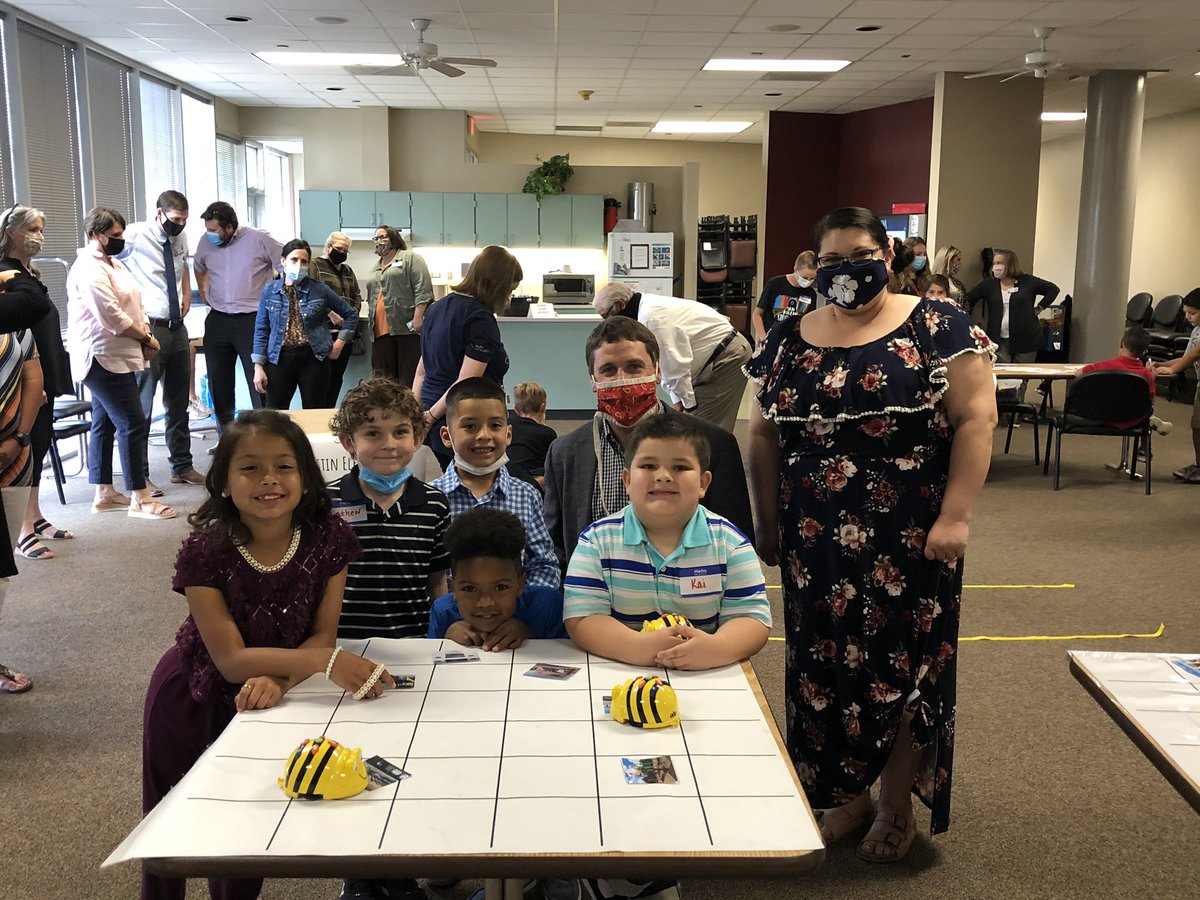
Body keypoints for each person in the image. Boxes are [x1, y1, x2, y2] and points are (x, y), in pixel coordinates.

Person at [745, 206, 997, 863]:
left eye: (858, 254)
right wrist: (767, 523)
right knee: (820, 666)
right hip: (811, 541)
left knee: (897, 669)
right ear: (812, 267)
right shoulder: (788, 335)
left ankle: (892, 803)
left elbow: (976, 419)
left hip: (910, 538)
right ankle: (844, 795)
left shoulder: (938, 325)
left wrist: (957, 516)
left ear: (887, 257)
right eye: (829, 260)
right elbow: (763, 431)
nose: (844, 269)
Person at [140, 409, 390, 900]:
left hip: (266, 698)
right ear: (225, 483)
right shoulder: (205, 550)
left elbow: (321, 635)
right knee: (171, 824)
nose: (269, 479)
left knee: (247, 826)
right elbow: (231, 660)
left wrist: (281, 681)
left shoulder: (331, 539)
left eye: (285, 466)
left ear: (306, 476)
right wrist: (326, 664)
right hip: (189, 696)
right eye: (250, 467)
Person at [543, 317, 753, 573]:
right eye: (608, 370)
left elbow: (738, 547)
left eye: (634, 367)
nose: (622, 380)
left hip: (691, 598)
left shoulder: (714, 443)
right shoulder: (565, 453)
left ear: (657, 372)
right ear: (593, 380)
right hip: (597, 598)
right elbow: (556, 548)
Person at [564, 412, 770, 667]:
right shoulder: (596, 543)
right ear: (627, 480)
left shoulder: (730, 544)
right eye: (649, 466)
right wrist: (635, 646)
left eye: (680, 467)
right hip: (621, 671)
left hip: (703, 673)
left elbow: (752, 618)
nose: (663, 476)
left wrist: (717, 648)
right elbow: (581, 618)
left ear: (704, 483)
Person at [67, 207, 175, 520]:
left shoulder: (110, 263)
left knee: (104, 422)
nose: (120, 240)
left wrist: (143, 332)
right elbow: (111, 316)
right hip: (101, 355)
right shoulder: (89, 268)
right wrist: (146, 337)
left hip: (116, 354)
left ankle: (103, 492)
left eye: (121, 234)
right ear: (95, 235)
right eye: (114, 236)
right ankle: (140, 498)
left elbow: (131, 302)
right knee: (132, 422)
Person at [328, 376, 451, 640]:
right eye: (373, 433)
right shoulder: (326, 502)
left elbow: (437, 580)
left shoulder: (435, 504)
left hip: (414, 641)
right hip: (343, 643)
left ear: (417, 438)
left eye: (400, 432)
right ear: (349, 442)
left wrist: (439, 638)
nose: (389, 444)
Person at [432, 377, 560, 591]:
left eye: (495, 425)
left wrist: (522, 609)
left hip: (516, 615)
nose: (484, 435)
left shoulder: (526, 495)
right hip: (450, 616)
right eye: (470, 426)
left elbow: (543, 565)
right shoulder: (432, 497)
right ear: (447, 436)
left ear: (508, 434)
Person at [118, 190, 206, 492]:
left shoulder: (180, 238)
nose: (179, 225)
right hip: (148, 327)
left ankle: (181, 466)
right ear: (159, 213)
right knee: (142, 407)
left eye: (184, 220)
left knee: (178, 402)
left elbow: (180, 268)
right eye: (175, 219)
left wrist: (184, 293)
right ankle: (139, 475)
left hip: (177, 327)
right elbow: (108, 265)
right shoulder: (133, 235)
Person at [0, 205, 74, 560]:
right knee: (28, 447)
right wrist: (32, 384)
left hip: (46, 372)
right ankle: (23, 529)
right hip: (23, 379)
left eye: (42, 228)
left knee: (40, 445)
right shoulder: (6, 275)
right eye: (31, 228)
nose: (39, 236)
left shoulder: (29, 273)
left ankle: (35, 515)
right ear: (11, 232)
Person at [593, 282, 753, 433]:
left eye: (606, 315)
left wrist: (689, 406)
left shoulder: (651, 319)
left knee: (705, 430)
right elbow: (667, 366)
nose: (607, 322)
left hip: (727, 356)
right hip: (714, 356)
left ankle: (713, 462)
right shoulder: (645, 307)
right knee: (693, 425)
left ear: (620, 305)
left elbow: (675, 367)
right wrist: (680, 403)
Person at [414, 245, 518, 469]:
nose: (508, 298)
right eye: (508, 291)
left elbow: (422, 369)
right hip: (463, 419)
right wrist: (430, 416)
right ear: (497, 285)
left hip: (435, 412)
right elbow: (465, 384)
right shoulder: (480, 318)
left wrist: (418, 412)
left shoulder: (435, 308)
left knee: (454, 480)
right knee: (477, 486)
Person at [192, 201, 282, 428]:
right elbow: (198, 266)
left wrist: (277, 301)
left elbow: (285, 264)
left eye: (214, 230)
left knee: (260, 382)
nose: (209, 234)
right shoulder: (205, 242)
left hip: (252, 320)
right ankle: (226, 439)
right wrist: (204, 293)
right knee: (218, 383)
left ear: (230, 227)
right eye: (207, 229)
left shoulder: (259, 239)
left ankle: (265, 434)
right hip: (218, 319)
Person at [0, 256, 46, 691]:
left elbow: (35, 380)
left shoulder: (14, 322)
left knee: (0, 569)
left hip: (13, 452)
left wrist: (19, 438)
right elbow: (36, 299)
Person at [429, 506, 567, 649]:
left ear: (521, 584)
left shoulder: (546, 605)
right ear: (453, 588)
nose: (485, 603)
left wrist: (531, 637)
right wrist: (446, 642)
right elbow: (428, 664)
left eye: (500, 587)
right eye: (469, 588)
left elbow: (570, 659)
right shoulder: (443, 612)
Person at [251, 239, 358, 411]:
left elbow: (351, 314)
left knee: (315, 412)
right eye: (294, 260)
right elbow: (261, 329)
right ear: (283, 261)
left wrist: (339, 344)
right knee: (274, 414)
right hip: (279, 358)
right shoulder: (270, 291)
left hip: (313, 358)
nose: (299, 265)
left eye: (304, 262)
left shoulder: (319, 289)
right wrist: (258, 366)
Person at [366, 224, 433, 388]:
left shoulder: (410, 258)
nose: (379, 241)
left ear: (394, 238)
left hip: (407, 329)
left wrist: (418, 317)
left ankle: (409, 413)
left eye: (384, 237)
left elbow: (422, 288)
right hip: (380, 332)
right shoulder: (375, 267)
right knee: (382, 383)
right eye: (376, 238)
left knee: (408, 379)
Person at [965, 247, 1059, 363]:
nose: (995, 266)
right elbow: (969, 299)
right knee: (1001, 376)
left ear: (1009, 264)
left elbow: (1053, 290)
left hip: (1026, 339)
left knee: (1021, 377)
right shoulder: (989, 284)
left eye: (999, 263)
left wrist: (1040, 307)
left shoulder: (1027, 281)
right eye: (994, 263)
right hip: (998, 339)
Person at [1151, 291, 1200, 483]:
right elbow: (1186, 357)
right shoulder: (1196, 331)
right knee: (1197, 426)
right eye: (1186, 313)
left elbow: (1196, 354)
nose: (1188, 317)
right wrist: (1163, 364)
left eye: (1193, 313)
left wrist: (1173, 369)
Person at [311, 231, 364, 407]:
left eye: (345, 251)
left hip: (344, 334)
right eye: (339, 249)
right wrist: (331, 314)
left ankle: (329, 414)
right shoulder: (314, 266)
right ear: (328, 247)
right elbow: (310, 295)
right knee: (319, 381)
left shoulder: (348, 271)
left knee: (336, 380)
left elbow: (357, 295)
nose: (342, 253)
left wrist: (350, 315)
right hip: (322, 333)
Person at [1081, 326, 1164, 430]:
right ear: (1144, 352)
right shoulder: (1146, 374)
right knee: (1147, 411)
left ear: (1121, 344)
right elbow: (1151, 401)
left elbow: (1079, 373)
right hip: (1134, 419)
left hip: (1101, 415)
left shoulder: (1104, 365)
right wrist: (1152, 379)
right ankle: (1147, 432)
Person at [753, 250, 818, 341]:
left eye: (812, 279)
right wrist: (763, 338)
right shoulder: (775, 284)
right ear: (796, 269)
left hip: (793, 343)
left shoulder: (811, 293)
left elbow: (808, 323)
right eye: (805, 278)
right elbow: (757, 314)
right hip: (770, 338)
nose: (808, 281)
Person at [507, 381, 558, 489]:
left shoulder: (506, 426)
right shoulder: (547, 433)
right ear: (543, 407)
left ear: (516, 409)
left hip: (506, 475)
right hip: (531, 482)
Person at [930, 245, 968, 309]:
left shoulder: (958, 284)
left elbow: (965, 305)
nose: (959, 263)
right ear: (949, 261)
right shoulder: (929, 281)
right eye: (958, 260)